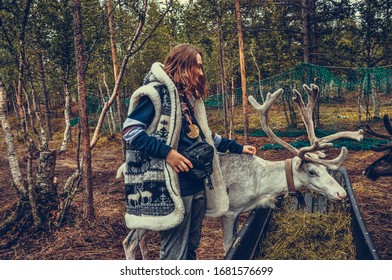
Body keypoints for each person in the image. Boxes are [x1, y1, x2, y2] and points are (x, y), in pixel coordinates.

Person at [122, 43, 256, 260]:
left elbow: (205, 136)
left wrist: (237, 147)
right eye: (198, 66)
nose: (201, 73)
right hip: (174, 186)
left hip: (196, 181)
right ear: (183, 64)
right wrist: (167, 153)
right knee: (175, 253)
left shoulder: (188, 99)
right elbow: (130, 130)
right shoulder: (157, 94)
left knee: (191, 248)